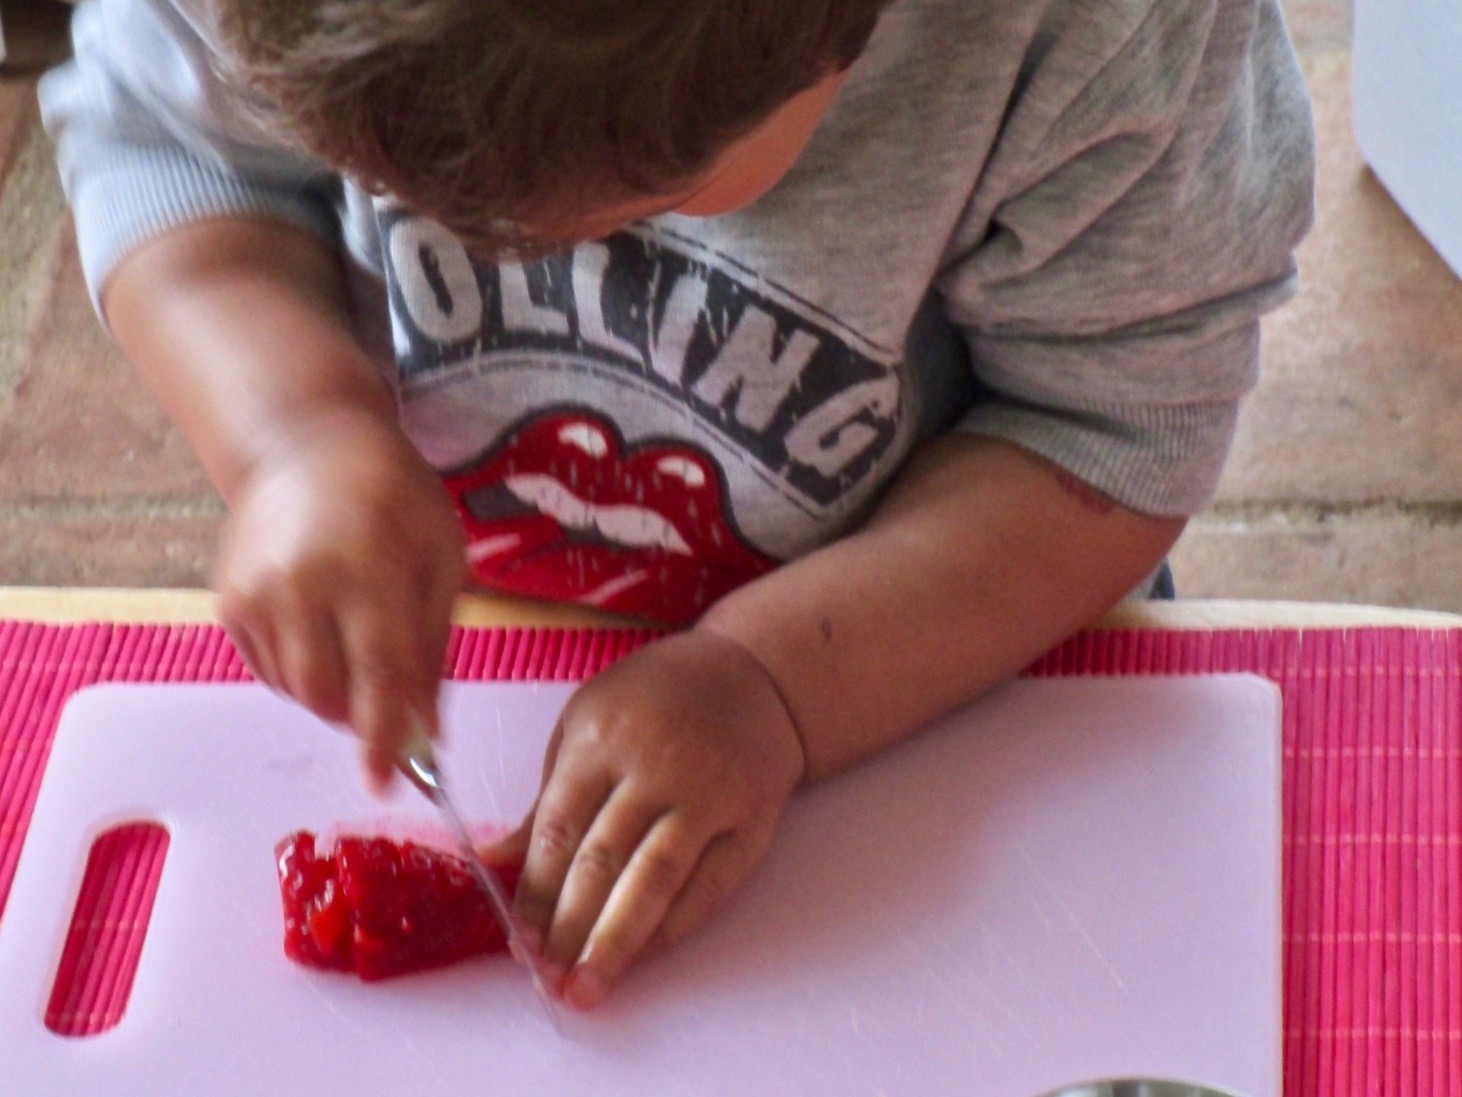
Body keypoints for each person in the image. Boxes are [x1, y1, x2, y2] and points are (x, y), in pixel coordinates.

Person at [40, 0, 1315, 1009]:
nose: (528, 252)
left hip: (964, 631)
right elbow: (168, 151)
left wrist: (772, 682)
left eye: (655, 199)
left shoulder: (1098, 31)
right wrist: (293, 433)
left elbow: (1107, 432)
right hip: (503, 621)